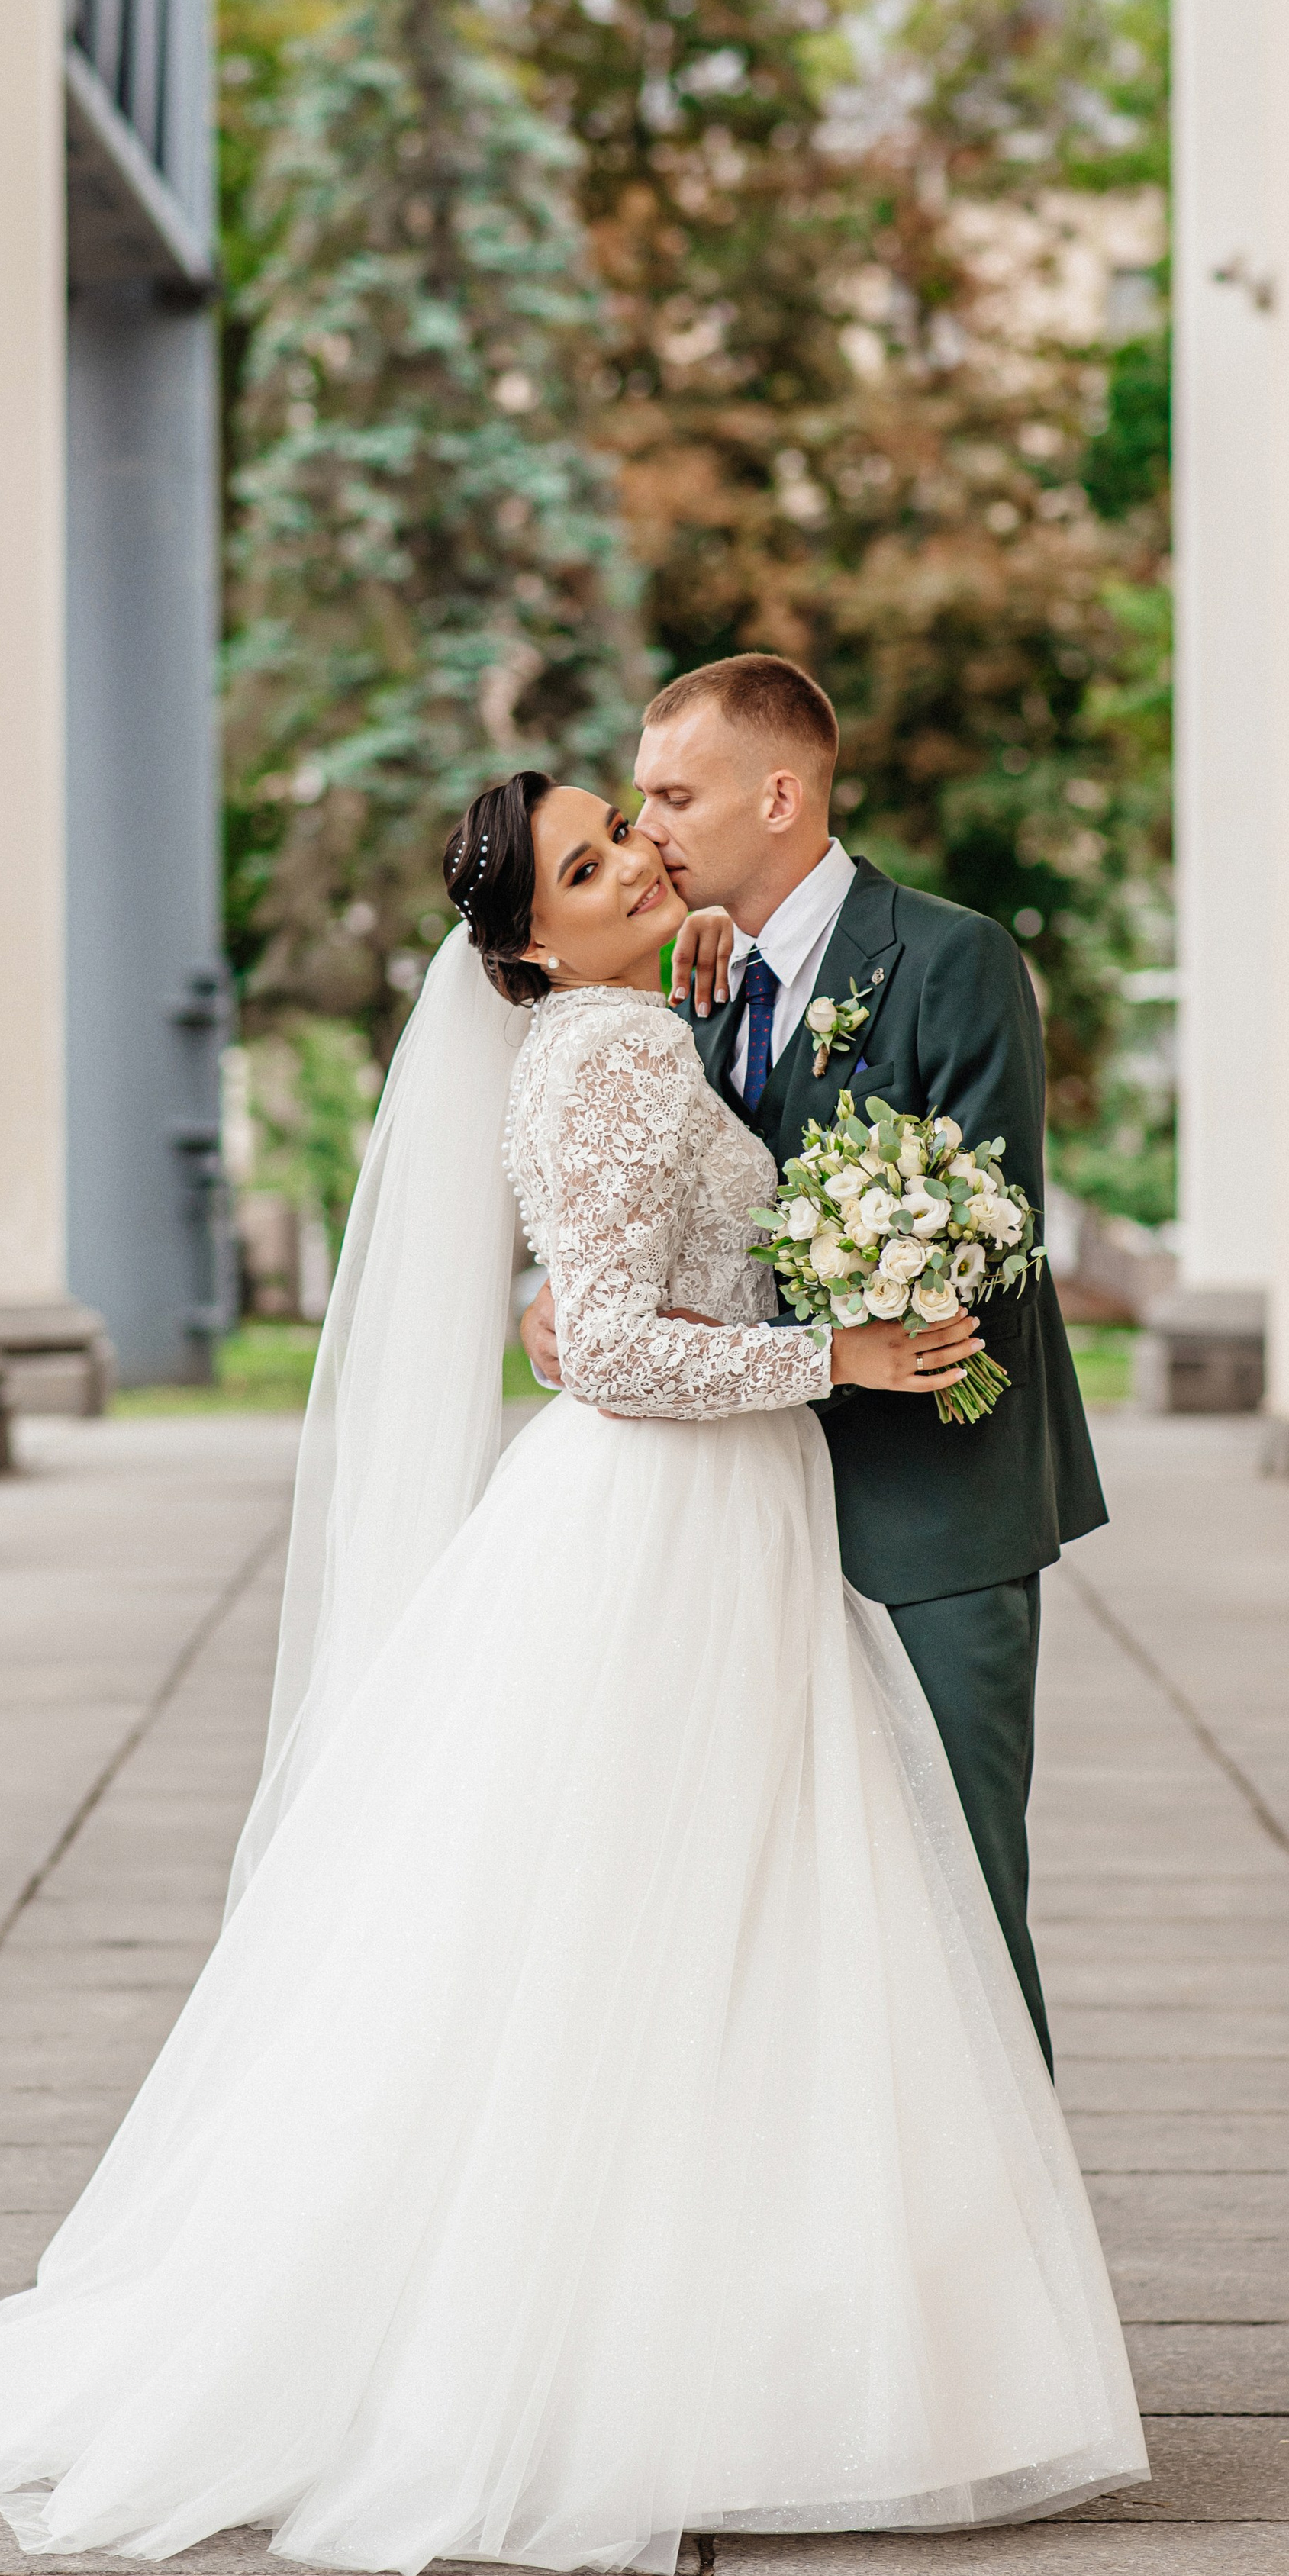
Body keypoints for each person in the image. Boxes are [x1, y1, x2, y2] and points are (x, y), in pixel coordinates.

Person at [0, 773, 1143, 2576]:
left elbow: (601, 1288)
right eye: (592, 862)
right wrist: (829, 1348)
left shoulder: (632, 1025)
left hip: (719, 1518)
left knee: (714, 1934)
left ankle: (718, 2352)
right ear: (526, 940)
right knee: (645, 1937)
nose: (636, 860)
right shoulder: (605, 1054)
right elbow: (602, 1347)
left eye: (625, 827)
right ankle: (626, 2368)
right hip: (660, 1523)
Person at [522, 653, 1106, 2069]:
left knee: (957, 1911)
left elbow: (981, 1242)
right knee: (780, 1934)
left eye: (671, 796)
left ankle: (998, 2272)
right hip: (740, 1538)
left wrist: (702, 1340)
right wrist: (577, 1310)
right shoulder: (701, 983)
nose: (646, 830)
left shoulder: (952, 958)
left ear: (778, 795)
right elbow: (653, 1209)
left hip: (929, 1518)